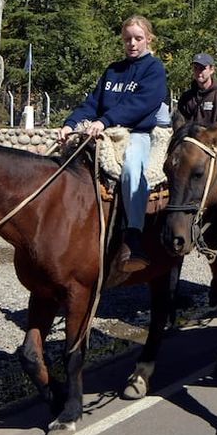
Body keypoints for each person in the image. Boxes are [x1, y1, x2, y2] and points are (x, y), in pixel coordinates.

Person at [60, 15, 168, 272]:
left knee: (132, 170)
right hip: (103, 131)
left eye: (138, 38)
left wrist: (106, 121)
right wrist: (71, 123)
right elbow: (92, 102)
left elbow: (142, 104)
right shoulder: (113, 70)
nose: (132, 43)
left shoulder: (154, 69)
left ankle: (134, 235)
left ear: (148, 39)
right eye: (128, 38)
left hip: (136, 134)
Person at [176, 52, 217, 127]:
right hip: (191, 137)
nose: (198, 72)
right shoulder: (186, 97)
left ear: (211, 70)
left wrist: (211, 134)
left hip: (214, 137)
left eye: (202, 68)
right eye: (195, 68)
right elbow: (179, 120)